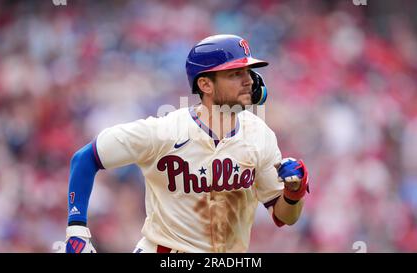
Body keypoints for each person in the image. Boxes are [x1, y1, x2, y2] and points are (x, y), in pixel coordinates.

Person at [64, 34, 310, 253]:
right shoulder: (164, 131)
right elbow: (86, 158)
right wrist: (77, 229)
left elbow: (284, 217)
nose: (249, 81)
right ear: (205, 84)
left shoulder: (260, 135)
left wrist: (294, 192)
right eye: (235, 74)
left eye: (248, 72)